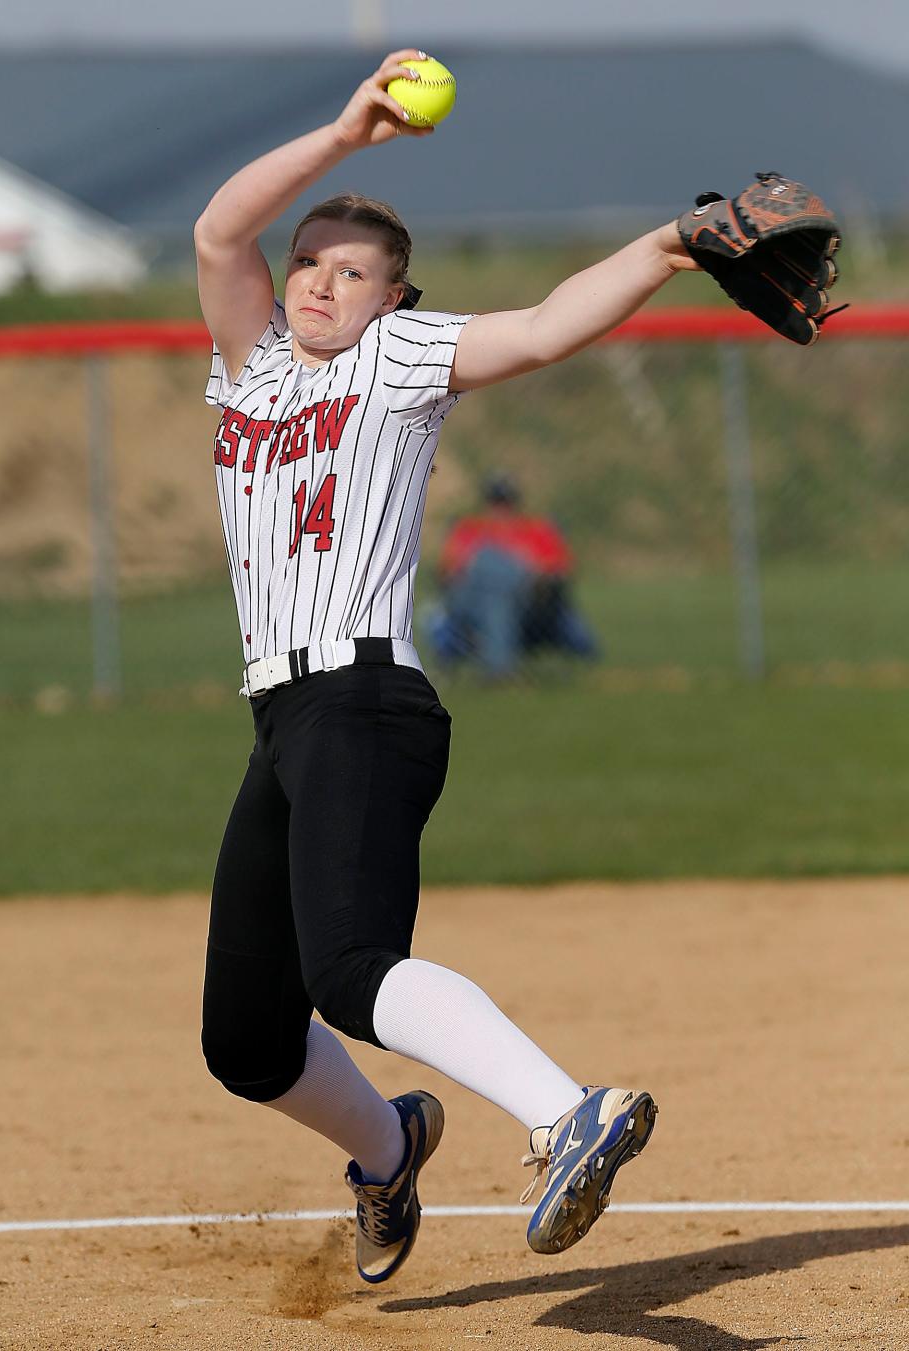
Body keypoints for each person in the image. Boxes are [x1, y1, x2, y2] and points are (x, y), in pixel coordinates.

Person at [194, 48, 697, 1284]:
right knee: (248, 1041)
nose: (318, 282)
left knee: (354, 971)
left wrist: (670, 250)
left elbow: (540, 330)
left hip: (367, 702)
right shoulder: (249, 366)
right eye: (307, 260)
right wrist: (343, 138)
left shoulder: (398, 362)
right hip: (283, 717)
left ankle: (565, 1109)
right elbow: (218, 228)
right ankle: (388, 1147)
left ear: (392, 298)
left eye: (351, 271)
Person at [429, 472, 601, 676]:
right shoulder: (469, 531)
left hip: (530, 603)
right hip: (474, 602)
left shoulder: (536, 530)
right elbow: (447, 575)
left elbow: (558, 571)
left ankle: (499, 668)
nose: (501, 508)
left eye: (506, 501)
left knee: (501, 591)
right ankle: (499, 666)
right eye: (496, 501)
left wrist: (523, 568)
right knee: (490, 579)